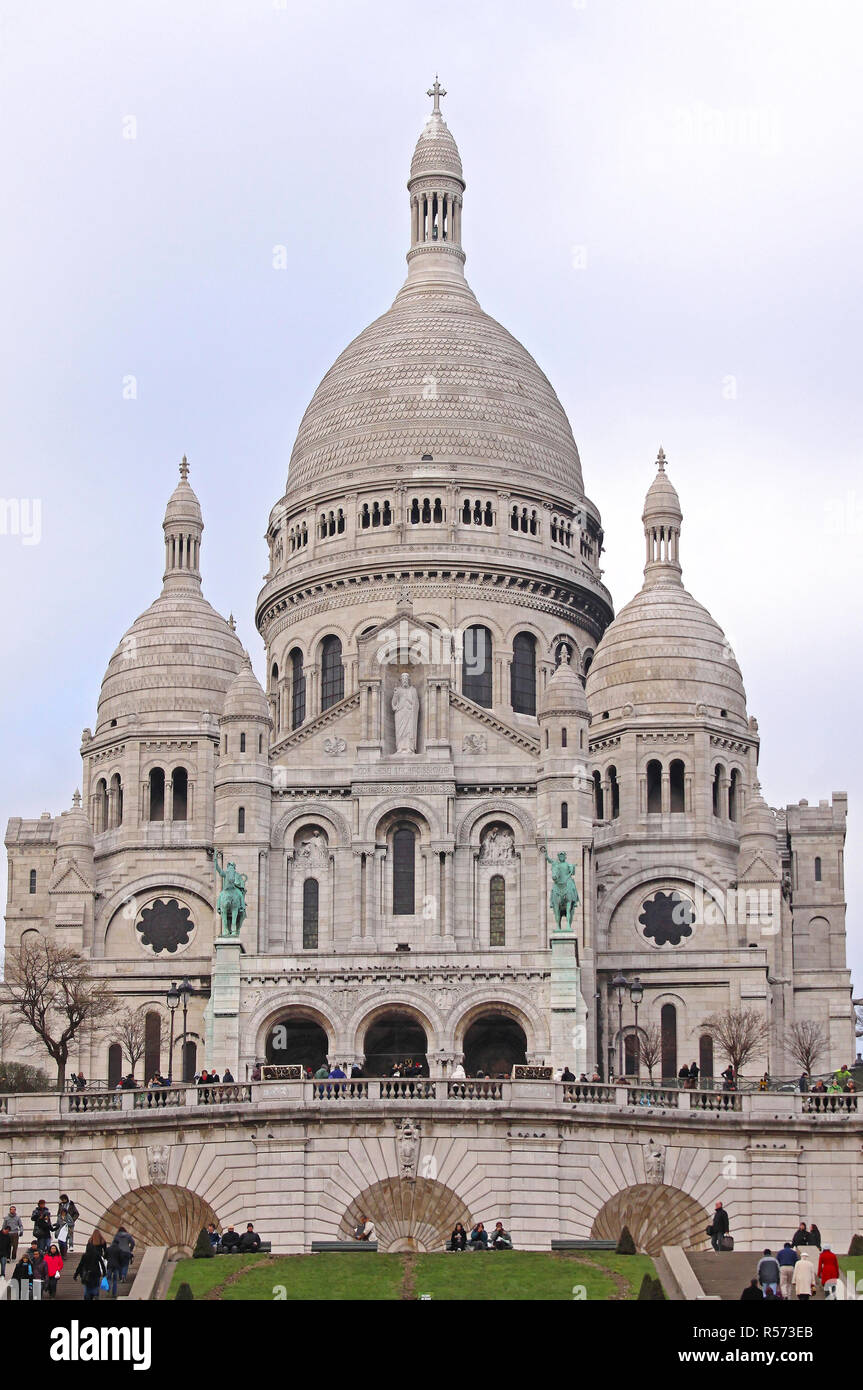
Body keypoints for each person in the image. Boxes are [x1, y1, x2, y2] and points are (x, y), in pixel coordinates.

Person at [74, 1230, 108, 1302]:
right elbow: (102, 1262)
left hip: (87, 1272)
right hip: (96, 1272)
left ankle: (87, 1296)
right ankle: (96, 1295)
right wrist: (104, 1273)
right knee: (96, 1284)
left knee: (87, 1286)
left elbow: (81, 1265)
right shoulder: (101, 1242)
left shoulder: (85, 1254)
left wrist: (76, 1274)